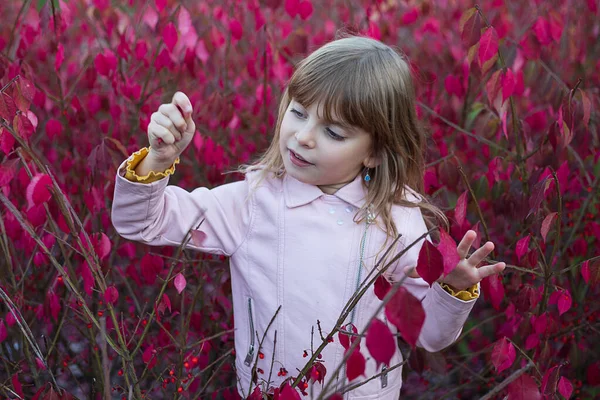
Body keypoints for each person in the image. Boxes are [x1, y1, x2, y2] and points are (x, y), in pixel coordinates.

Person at [111, 35, 506, 399]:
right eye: (298, 112)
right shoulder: (252, 203)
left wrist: (452, 291)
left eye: (334, 133)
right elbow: (141, 221)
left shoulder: (397, 216)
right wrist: (158, 161)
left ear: (374, 150)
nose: (303, 136)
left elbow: (429, 334)